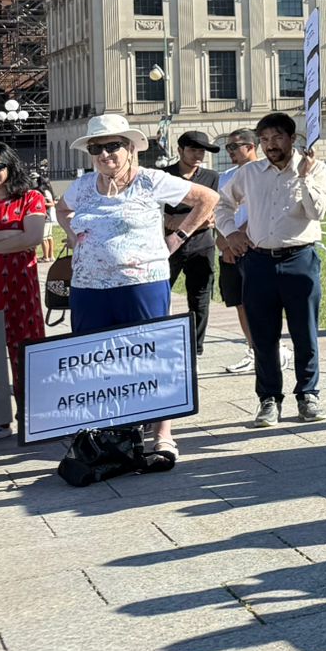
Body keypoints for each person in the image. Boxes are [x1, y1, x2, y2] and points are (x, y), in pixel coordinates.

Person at [56, 114, 218, 468]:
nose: (104, 154)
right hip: (88, 286)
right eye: (96, 148)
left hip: (141, 284)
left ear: (130, 148)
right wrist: (72, 234)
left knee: (151, 356)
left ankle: (162, 434)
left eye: (112, 146)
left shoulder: (151, 181)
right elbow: (61, 208)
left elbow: (207, 199)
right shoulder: (84, 186)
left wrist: (178, 236)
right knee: (94, 360)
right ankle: (105, 430)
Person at [216, 111, 326, 428]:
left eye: (277, 138)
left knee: (304, 333)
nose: (270, 145)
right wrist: (230, 232)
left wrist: (305, 177)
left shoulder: (315, 169)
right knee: (263, 337)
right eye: (264, 139)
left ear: (292, 139)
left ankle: (308, 395)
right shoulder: (250, 173)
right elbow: (222, 203)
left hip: (300, 260)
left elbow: (318, 211)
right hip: (259, 261)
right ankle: (269, 400)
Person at [0, 141, 51, 436]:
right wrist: (11, 235)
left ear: (10, 166)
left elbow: (33, 238)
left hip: (20, 283)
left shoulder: (31, 197)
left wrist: (3, 236)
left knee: (25, 346)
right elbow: (22, 235)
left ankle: (33, 414)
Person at [161, 131, 222, 358]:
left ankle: (195, 346)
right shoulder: (164, 175)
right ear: (180, 151)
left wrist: (181, 221)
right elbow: (159, 211)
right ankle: (161, 339)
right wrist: (172, 221)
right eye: (193, 149)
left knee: (200, 296)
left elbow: (210, 214)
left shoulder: (211, 176)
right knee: (160, 291)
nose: (198, 155)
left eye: (201, 151)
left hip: (201, 243)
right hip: (168, 243)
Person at [213, 129, 267, 377]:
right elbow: (218, 212)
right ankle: (252, 349)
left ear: (251, 146)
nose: (230, 152)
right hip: (230, 248)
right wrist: (224, 244)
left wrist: (240, 238)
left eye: (234, 147)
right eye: (228, 148)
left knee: (262, 303)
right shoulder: (226, 177)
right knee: (240, 303)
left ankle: (271, 349)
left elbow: (262, 211)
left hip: (256, 247)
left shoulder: (266, 173)